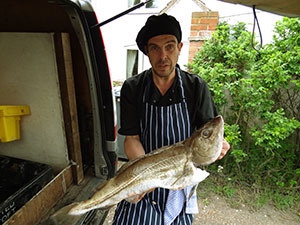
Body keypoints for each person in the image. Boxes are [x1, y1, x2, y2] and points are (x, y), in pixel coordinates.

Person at [112, 13, 230, 225]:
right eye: (155, 48)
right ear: (147, 52)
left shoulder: (195, 87)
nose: (163, 56)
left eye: (169, 46)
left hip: (180, 183)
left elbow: (208, 135)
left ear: (180, 47)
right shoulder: (133, 87)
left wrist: (218, 148)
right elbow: (131, 139)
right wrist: (146, 177)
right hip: (144, 178)